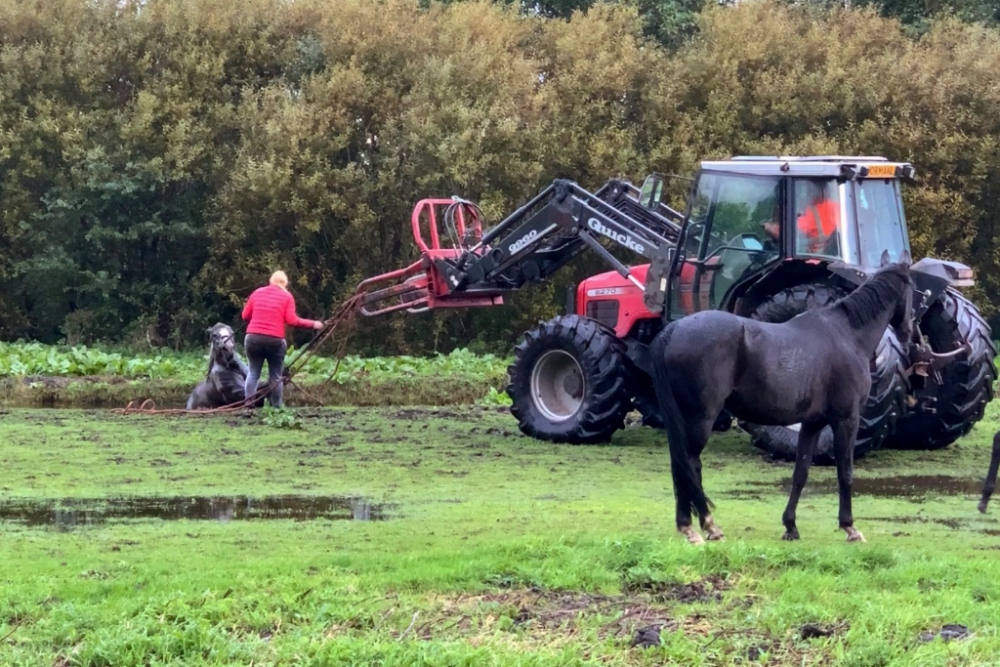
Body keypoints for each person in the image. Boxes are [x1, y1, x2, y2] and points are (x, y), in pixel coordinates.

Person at [241, 270, 324, 409]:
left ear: (271, 281)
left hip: (253, 338)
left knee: (253, 373)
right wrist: (313, 324)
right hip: (275, 340)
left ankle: (248, 405)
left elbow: (245, 316)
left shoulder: (257, 292)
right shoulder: (287, 297)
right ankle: (277, 406)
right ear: (284, 284)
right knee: (276, 376)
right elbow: (292, 320)